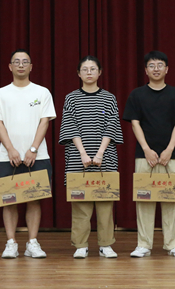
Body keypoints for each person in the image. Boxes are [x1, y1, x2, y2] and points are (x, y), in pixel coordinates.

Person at [0, 49, 56, 259]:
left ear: (31, 67)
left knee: (34, 199)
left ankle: (32, 242)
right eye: (16, 62)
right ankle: (11, 243)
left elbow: (45, 121)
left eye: (25, 61)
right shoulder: (0, 94)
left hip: (38, 155)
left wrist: (33, 149)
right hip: (7, 156)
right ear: (10, 66)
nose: (20, 65)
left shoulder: (42, 92)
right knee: (9, 200)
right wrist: (10, 149)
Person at [123, 50, 175, 258]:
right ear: (145, 70)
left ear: (167, 69)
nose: (156, 69)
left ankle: (172, 244)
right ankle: (143, 244)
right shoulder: (136, 94)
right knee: (144, 199)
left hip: (172, 155)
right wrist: (146, 149)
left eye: (160, 65)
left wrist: (169, 149)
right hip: (144, 155)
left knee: (172, 199)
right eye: (151, 65)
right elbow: (134, 123)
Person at [59, 56, 124, 259]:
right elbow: (70, 125)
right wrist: (83, 154)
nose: (89, 72)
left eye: (93, 69)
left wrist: (100, 153)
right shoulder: (71, 98)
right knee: (81, 204)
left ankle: (106, 244)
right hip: (78, 157)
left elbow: (112, 125)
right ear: (78, 73)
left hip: (106, 157)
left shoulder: (109, 98)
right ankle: (80, 245)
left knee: (105, 204)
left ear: (99, 72)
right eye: (85, 69)